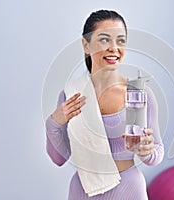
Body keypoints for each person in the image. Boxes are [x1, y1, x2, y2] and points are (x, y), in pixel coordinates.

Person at [45, 10, 164, 200]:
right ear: (86, 45)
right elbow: (59, 159)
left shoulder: (137, 94)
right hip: (84, 191)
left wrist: (147, 151)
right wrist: (53, 123)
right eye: (104, 40)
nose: (114, 48)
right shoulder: (71, 95)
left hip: (129, 190)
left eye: (121, 40)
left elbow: (156, 153)